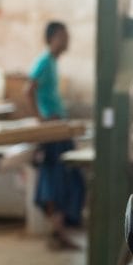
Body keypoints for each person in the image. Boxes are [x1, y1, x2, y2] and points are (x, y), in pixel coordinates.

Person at [25, 21, 85, 249]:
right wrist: (40, 120)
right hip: (52, 129)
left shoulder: (52, 63)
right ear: (53, 38)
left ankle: (58, 231)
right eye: (63, 36)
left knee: (68, 180)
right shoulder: (44, 62)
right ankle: (58, 232)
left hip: (59, 126)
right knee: (55, 180)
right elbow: (28, 90)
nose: (67, 40)